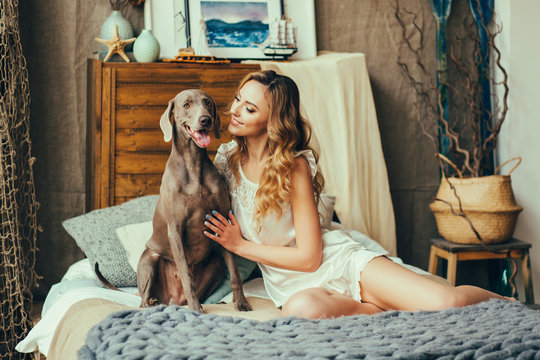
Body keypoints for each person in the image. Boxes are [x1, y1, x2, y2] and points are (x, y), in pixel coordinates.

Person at [203, 70, 508, 319]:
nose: (234, 111)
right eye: (237, 100)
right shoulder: (226, 161)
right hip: (294, 290)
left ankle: (508, 302)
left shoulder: (293, 166)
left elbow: (310, 258)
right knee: (301, 311)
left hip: (339, 265)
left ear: (273, 121)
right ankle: (383, 310)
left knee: (447, 304)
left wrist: (241, 246)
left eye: (249, 108)